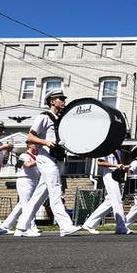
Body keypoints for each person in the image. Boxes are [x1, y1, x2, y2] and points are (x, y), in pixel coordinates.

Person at [15, 89, 82, 237]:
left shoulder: (59, 119)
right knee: (55, 190)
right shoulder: (44, 117)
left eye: (64, 98)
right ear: (52, 101)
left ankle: (22, 226)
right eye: (60, 98)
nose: (63, 101)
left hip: (56, 158)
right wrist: (45, 142)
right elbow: (30, 137)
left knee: (40, 194)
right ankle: (65, 225)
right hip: (45, 159)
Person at [82, 149, 130, 234]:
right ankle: (121, 226)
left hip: (116, 175)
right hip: (109, 175)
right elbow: (100, 163)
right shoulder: (107, 148)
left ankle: (89, 224)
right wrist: (115, 165)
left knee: (110, 202)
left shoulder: (119, 150)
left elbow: (118, 164)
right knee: (117, 200)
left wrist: (122, 167)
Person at [1, 143, 43, 234]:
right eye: (36, 145)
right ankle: (29, 227)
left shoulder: (35, 156)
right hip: (25, 180)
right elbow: (27, 165)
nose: (37, 147)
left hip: (34, 180)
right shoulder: (24, 155)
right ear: (29, 145)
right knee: (27, 205)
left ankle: (6, 225)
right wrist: (40, 160)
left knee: (21, 205)